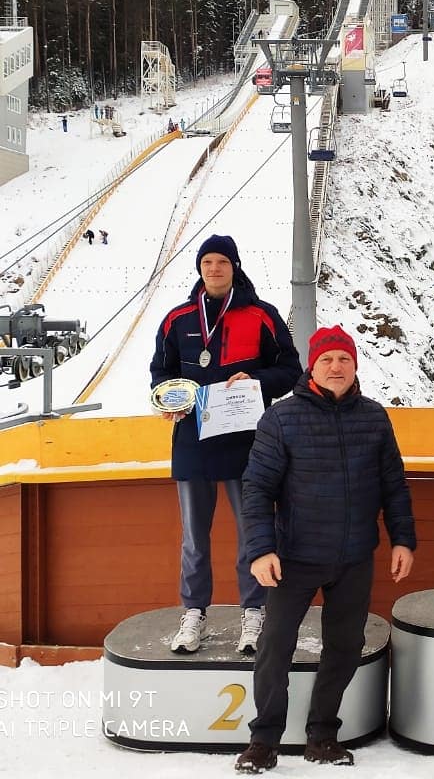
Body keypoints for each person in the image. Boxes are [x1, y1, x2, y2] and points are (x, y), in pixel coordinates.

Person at [235, 325, 416, 774]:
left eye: (345, 359)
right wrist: (261, 550)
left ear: (355, 366)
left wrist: (403, 540)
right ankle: (264, 740)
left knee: (345, 645)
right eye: (328, 359)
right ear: (312, 367)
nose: (337, 367)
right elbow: (257, 488)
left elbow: (394, 485)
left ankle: (322, 734)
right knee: (275, 644)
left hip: (355, 556)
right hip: (293, 556)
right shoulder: (281, 418)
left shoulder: (374, 417)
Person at [150, 234, 301, 655]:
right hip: (192, 440)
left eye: (222, 262)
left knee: (253, 531)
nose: (214, 269)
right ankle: (194, 612)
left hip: (248, 442)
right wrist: (168, 399)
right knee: (195, 537)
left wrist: (257, 381)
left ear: (235, 266)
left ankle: (254, 611)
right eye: (207, 262)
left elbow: (290, 368)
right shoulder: (177, 319)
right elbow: (159, 372)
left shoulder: (262, 315)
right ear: (200, 269)